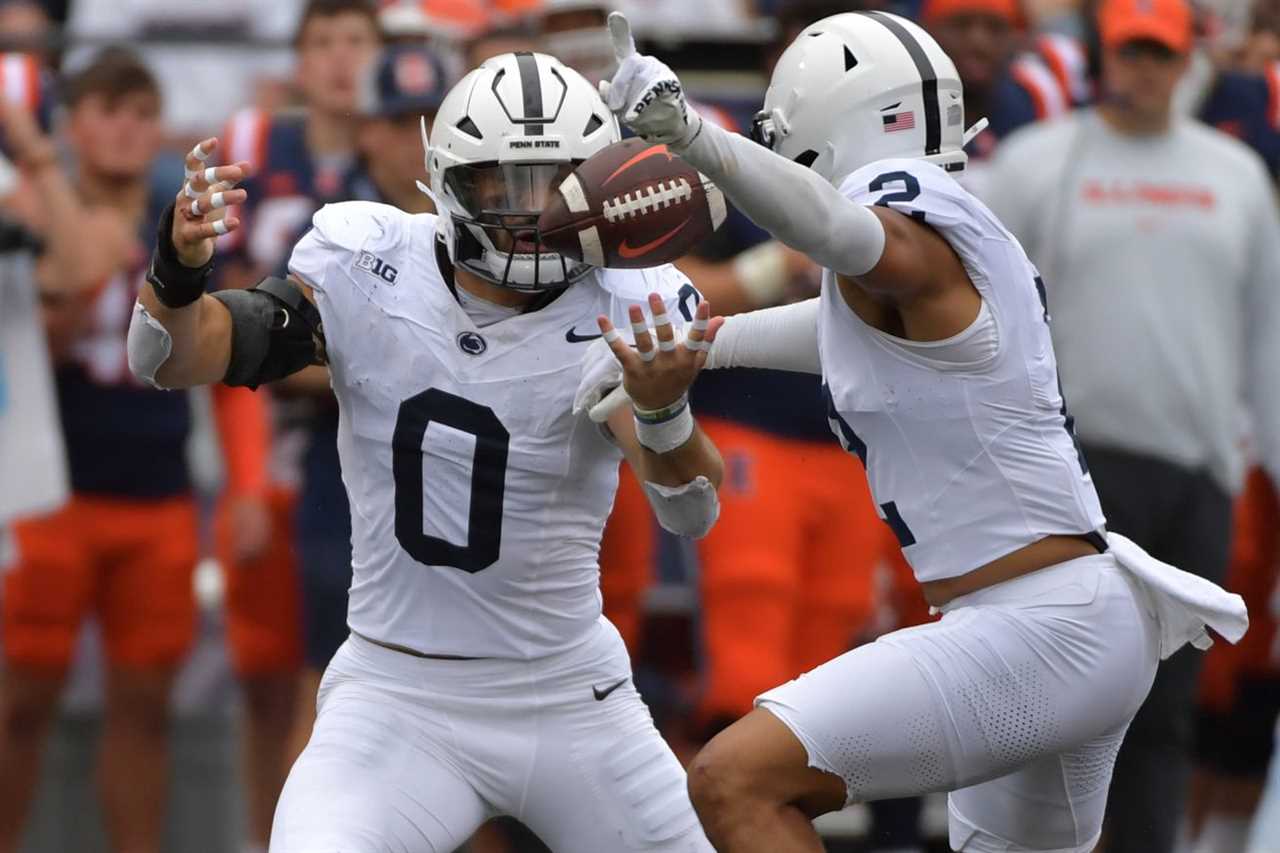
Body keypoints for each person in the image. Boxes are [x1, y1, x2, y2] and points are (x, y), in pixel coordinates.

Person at [591, 9, 1248, 852]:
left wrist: (694, 138)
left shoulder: (906, 214)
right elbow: (835, 326)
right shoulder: (936, 254)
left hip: (1033, 624)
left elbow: (842, 232)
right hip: (1067, 618)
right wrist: (699, 345)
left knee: (734, 779)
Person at [128, 51, 725, 852]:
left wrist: (661, 413)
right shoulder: (368, 259)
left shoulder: (626, 299)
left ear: (599, 186)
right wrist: (178, 270)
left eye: (553, 184)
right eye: (502, 186)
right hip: (394, 691)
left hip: (566, 696)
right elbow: (170, 356)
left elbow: (691, 505)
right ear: (447, 178)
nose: (527, 212)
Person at [982, 0, 1280, 849]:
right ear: (1103, 57)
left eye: (1159, 51)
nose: (1142, 68)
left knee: (1166, 714)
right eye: (1129, 50)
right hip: (1069, 475)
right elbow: (987, 320)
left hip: (1196, 476)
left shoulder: (1236, 177)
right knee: (1048, 706)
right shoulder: (1038, 163)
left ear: (1188, 59)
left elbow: (1268, 339)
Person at [0, 49, 257, 853]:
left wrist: (245, 483)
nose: (124, 128)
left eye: (140, 113)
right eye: (107, 109)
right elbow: (28, 348)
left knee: (147, 705)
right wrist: (82, 271)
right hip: (52, 492)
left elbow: (229, 356)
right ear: (72, 125)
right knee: (19, 702)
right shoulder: (36, 208)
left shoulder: (181, 219)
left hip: (157, 488)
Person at [212, 4, 382, 848]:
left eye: (357, 42)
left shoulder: (402, 166)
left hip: (358, 466)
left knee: (338, 687)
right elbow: (223, 332)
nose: (342, 61)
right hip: (272, 453)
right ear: (298, 61)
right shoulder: (260, 157)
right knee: (268, 683)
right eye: (325, 43)